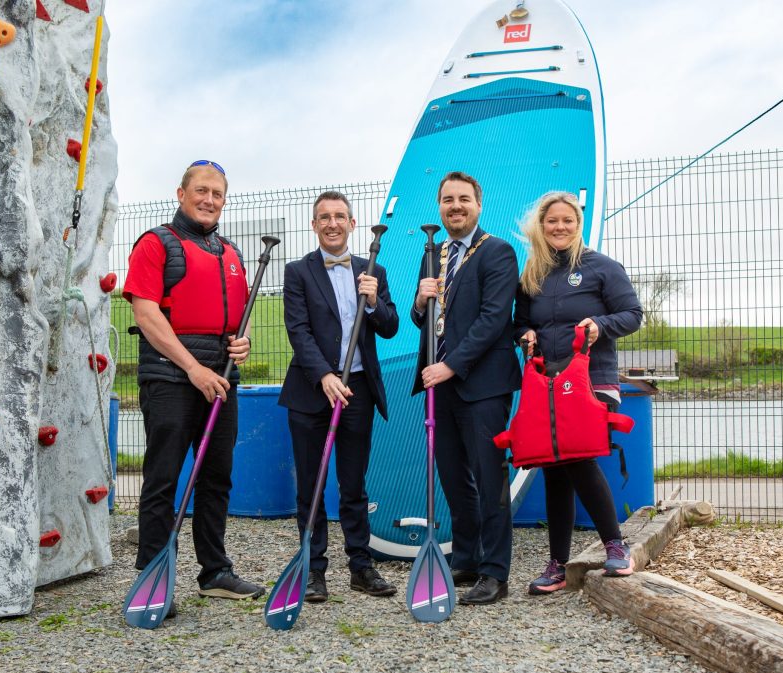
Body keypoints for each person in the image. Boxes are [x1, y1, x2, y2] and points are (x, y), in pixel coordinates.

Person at [123, 159, 265, 604]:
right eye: (201, 191)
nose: (208, 200)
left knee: (217, 477)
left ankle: (215, 572)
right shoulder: (155, 244)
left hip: (221, 378)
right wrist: (192, 368)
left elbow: (233, 323)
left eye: (217, 194)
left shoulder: (232, 254)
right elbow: (146, 315)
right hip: (171, 375)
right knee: (163, 477)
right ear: (181, 193)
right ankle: (153, 576)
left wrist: (240, 346)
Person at [513, 191, 643, 595]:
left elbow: (633, 315)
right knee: (553, 468)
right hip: (547, 384)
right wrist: (525, 334)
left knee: (581, 459)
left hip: (592, 380)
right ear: (541, 225)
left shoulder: (602, 267)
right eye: (552, 221)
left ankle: (616, 546)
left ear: (578, 224)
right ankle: (558, 563)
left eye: (567, 220)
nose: (560, 227)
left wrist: (598, 326)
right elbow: (516, 322)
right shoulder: (532, 274)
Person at [279, 191, 400, 603]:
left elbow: (391, 326)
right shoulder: (297, 271)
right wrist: (325, 374)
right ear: (314, 225)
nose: (332, 223)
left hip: (359, 391)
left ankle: (361, 566)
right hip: (312, 392)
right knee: (311, 484)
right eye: (324, 217)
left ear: (352, 224)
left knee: (354, 483)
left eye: (340, 217)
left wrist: (372, 302)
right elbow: (298, 330)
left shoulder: (373, 270)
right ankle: (313, 570)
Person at [411, 171, 522, 605]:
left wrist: (450, 367)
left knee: (488, 476)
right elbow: (424, 320)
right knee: (454, 478)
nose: (455, 207)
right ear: (439, 206)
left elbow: (494, 320)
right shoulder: (432, 252)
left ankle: (496, 571)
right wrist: (421, 300)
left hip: (483, 385)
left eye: (463, 199)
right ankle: (468, 557)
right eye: (447, 200)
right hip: (441, 385)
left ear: (479, 204)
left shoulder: (497, 251)